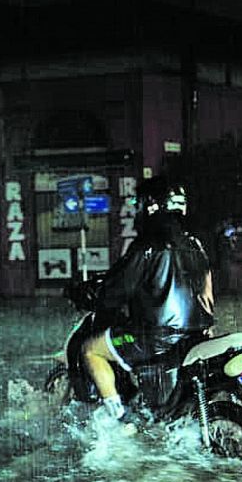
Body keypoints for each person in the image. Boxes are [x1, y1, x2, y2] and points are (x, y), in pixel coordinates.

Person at [82, 176, 215, 425]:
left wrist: (92, 294)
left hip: (157, 337)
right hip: (196, 336)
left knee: (90, 350)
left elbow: (118, 289)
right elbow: (207, 292)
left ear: (150, 206)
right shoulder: (196, 245)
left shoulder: (148, 245)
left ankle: (119, 422)